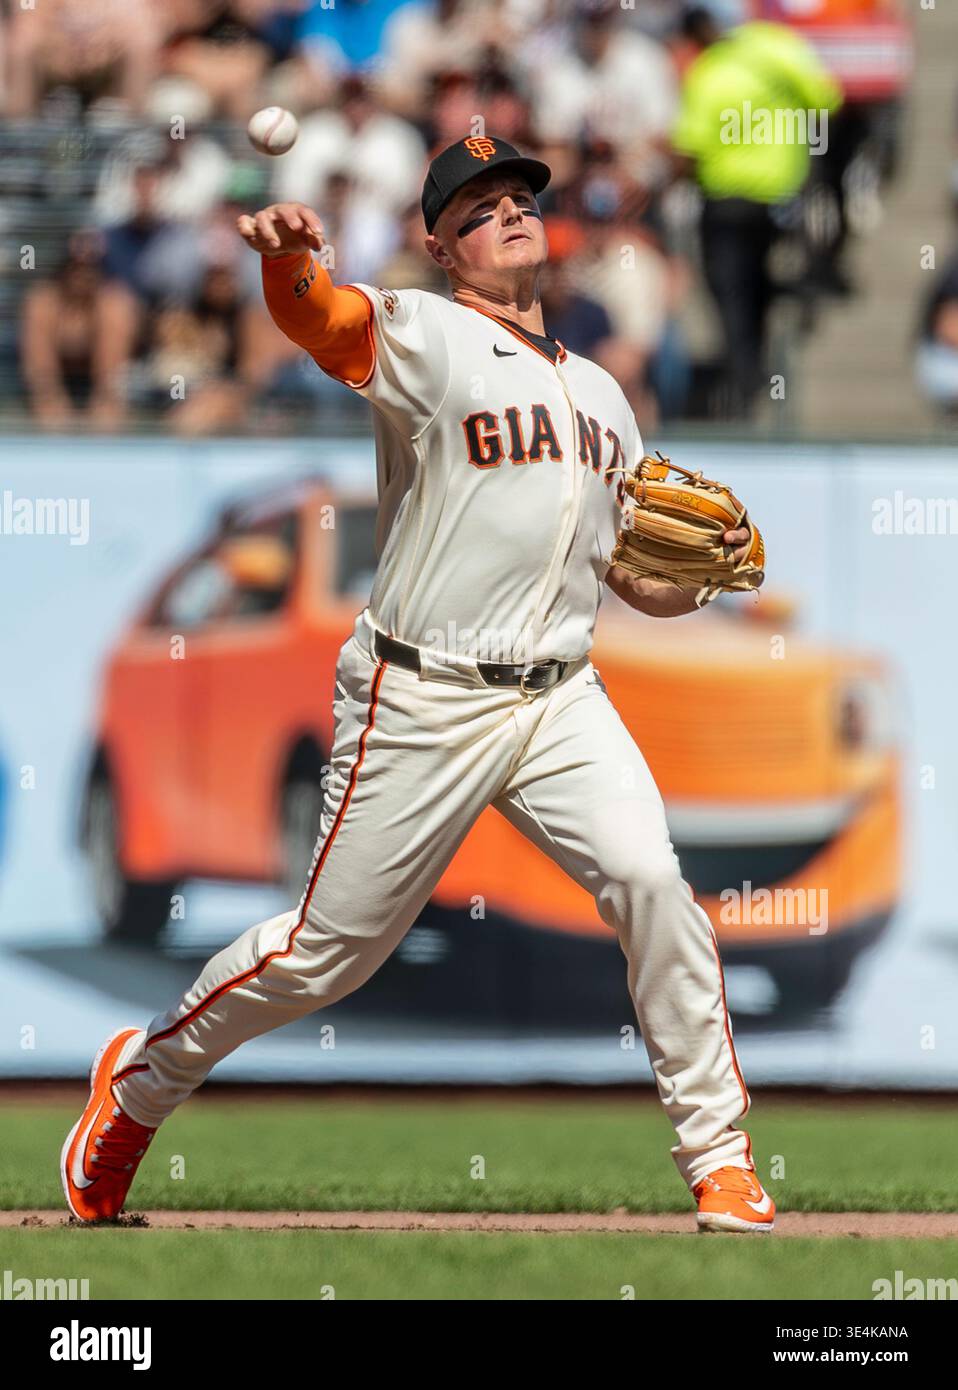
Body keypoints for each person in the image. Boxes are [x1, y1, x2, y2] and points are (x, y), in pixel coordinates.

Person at [61, 136, 775, 1236]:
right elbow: (324, 324)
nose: (508, 212)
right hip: (422, 691)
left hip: (557, 697)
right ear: (443, 247)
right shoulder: (427, 331)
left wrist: (700, 581)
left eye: (519, 197)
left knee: (652, 885)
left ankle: (720, 1159)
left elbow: (630, 573)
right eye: (477, 208)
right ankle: (140, 1082)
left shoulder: (602, 396)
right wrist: (289, 264)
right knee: (321, 957)